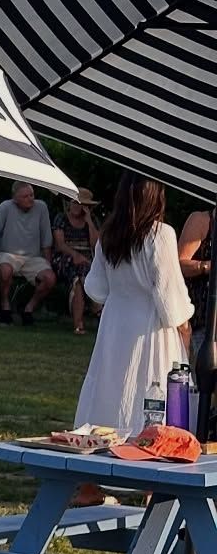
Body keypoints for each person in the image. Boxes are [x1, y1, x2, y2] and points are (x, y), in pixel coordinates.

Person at [72, 175, 193, 466]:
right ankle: (151, 473)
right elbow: (170, 299)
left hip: (115, 325)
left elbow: (96, 289)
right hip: (150, 328)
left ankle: (91, 477)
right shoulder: (160, 235)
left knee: (107, 390)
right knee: (150, 395)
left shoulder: (110, 234)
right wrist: (185, 324)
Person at [0, 181, 56, 325]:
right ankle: (5, 305)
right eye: (25, 196)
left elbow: (46, 237)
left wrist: (48, 262)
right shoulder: (5, 208)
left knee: (50, 278)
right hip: (8, 254)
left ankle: (28, 309)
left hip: (32, 257)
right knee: (5, 271)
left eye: (32, 195)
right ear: (15, 198)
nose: (30, 199)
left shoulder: (41, 207)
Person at [52, 189, 103, 335]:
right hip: (65, 257)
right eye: (74, 202)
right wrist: (76, 255)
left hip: (86, 262)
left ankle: (79, 324)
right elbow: (60, 244)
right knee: (81, 272)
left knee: (80, 279)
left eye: (80, 204)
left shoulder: (93, 221)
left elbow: (95, 244)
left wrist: (89, 222)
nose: (76, 206)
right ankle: (96, 309)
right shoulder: (61, 218)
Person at [178, 206, 213, 356]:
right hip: (206, 323)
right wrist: (206, 266)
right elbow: (178, 264)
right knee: (205, 377)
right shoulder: (202, 221)